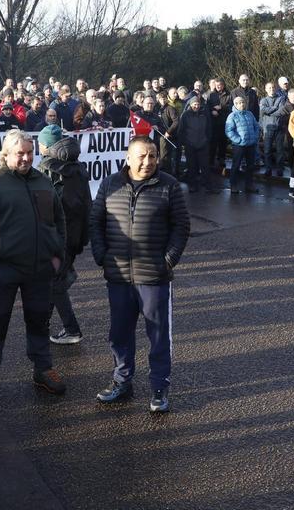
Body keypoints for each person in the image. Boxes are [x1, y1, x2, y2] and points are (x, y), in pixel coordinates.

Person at [90, 136, 189, 413]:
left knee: (158, 336)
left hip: (154, 277)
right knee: (119, 333)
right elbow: (95, 221)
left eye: (153, 156)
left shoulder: (168, 185)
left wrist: (167, 261)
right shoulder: (110, 184)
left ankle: (159, 387)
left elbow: (181, 227)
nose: (148, 162)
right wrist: (102, 256)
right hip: (118, 276)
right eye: (142, 156)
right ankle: (122, 381)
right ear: (128, 158)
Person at [0, 129, 66, 406]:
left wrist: (57, 255)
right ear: (6, 154)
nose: (25, 158)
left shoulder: (43, 182)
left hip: (40, 270)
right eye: (19, 153)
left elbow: (58, 220)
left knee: (39, 321)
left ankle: (42, 368)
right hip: (4, 271)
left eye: (29, 152)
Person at [36, 125, 91, 346]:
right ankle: (43, 322)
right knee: (54, 279)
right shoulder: (76, 166)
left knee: (55, 283)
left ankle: (72, 329)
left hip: (58, 237)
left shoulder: (47, 168)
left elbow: (43, 209)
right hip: (76, 234)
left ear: (47, 146)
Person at [225, 95, 260, 195]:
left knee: (250, 166)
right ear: (235, 105)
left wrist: (255, 137)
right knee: (236, 165)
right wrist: (238, 140)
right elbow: (228, 131)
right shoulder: (232, 116)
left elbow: (256, 126)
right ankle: (233, 185)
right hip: (239, 145)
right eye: (239, 103)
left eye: (243, 102)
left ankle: (249, 184)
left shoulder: (249, 114)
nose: (242, 104)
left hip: (251, 144)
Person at [178, 94, 211, 192]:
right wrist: (184, 142)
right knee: (191, 166)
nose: (196, 106)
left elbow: (209, 128)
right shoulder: (185, 115)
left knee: (205, 165)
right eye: (194, 104)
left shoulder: (204, 114)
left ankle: (207, 185)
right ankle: (192, 185)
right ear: (190, 104)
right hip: (190, 144)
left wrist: (207, 139)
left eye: (198, 104)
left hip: (203, 143)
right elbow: (181, 130)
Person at [259, 81, 287, 178]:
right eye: (269, 88)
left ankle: (279, 168)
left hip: (280, 128)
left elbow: (281, 112)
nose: (271, 89)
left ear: (275, 89)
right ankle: (268, 169)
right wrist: (275, 108)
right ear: (266, 90)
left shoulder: (281, 99)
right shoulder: (263, 100)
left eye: (273, 88)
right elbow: (263, 110)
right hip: (268, 129)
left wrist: (270, 111)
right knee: (267, 150)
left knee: (280, 150)